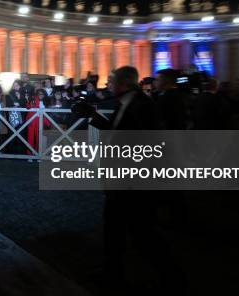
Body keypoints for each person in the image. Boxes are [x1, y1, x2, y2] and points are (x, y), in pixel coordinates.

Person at [71, 66, 182, 293]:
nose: (108, 86)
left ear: (123, 83)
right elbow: (115, 132)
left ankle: (173, 279)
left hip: (134, 183)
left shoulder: (144, 105)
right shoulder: (126, 102)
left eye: (111, 82)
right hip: (121, 180)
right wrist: (93, 116)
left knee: (143, 234)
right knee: (115, 230)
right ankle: (113, 275)